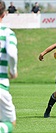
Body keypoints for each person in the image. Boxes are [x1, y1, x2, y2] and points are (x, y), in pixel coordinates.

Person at [0, 0, 18, 132]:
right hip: (1, 85)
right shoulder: (7, 33)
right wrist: (13, 70)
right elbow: (11, 54)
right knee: (10, 123)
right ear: (4, 14)